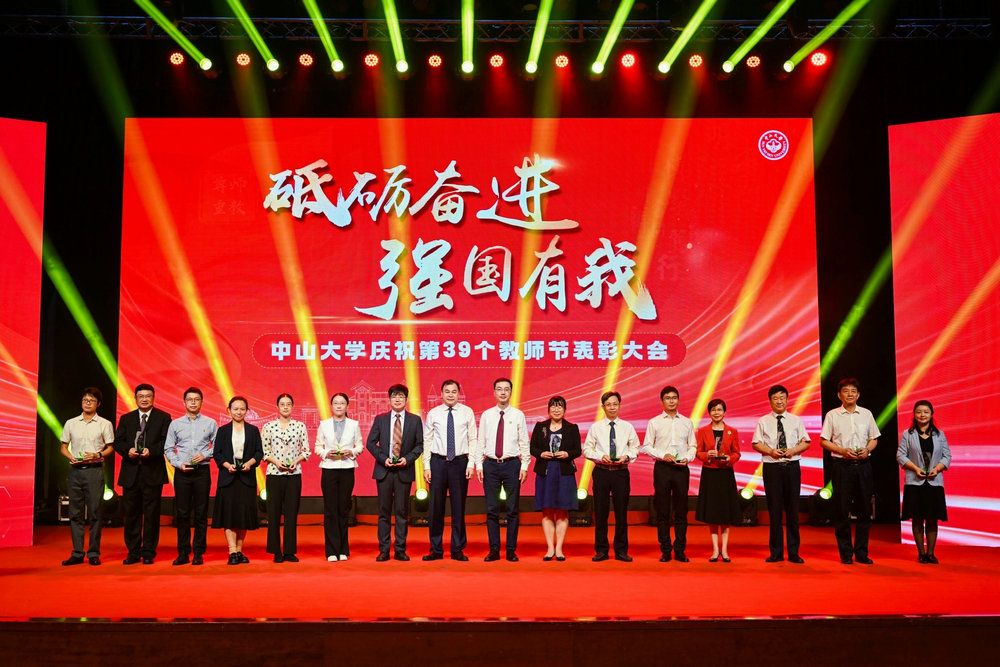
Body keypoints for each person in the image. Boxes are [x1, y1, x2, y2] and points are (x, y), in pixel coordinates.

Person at [820, 377, 881, 565]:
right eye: (846, 391)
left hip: (863, 466)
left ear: (858, 394)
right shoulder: (832, 415)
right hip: (841, 466)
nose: (850, 394)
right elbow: (824, 441)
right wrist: (841, 450)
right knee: (841, 510)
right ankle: (846, 553)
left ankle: (861, 552)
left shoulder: (866, 414)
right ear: (839, 395)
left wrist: (867, 450)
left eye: (853, 391)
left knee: (865, 510)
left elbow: (874, 438)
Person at [751, 384, 811, 564]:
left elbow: (806, 442)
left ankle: (794, 552)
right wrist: (770, 451)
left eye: (782, 398)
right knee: (774, 510)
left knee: (793, 510)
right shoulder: (763, 421)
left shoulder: (796, 420)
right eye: (775, 398)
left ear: (787, 399)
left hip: (792, 466)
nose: (779, 401)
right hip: (772, 468)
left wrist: (793, 450)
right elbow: (756, 443)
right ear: (770, 401)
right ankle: (776, 552)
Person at [113, 383, 171, 565]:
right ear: (135, 398)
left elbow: (166, 442)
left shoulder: (163, 417)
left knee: (152, 515)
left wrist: (151, 451)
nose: (144, 399)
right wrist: (127, 450)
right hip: (131, 473)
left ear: (153, 398)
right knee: (131, 514)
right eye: (141, 396)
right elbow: (118, 442)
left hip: (152, 472)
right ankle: (133, 551)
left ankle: (148, 552)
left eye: (148, 396)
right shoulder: (126, 418)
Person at [366, 384, 424, 561]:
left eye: (401, 396)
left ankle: (400, 549)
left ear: (406, 400)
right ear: (389, 399)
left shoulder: (415, 420)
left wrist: (408, 459)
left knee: (401, 512)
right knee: (384, 512)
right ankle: (384, 550)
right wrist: (383, 458)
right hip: (384, 470)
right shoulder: (380, 419)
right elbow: (370, 443)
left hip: (403, 471)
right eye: (394, 396)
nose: (397, 399)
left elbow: (419, 445)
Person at [422, 380, 477, 562]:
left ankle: (457, 549)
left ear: (458, 393)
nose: (451, 395)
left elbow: (473, 439)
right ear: (441, 394)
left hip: (460, 463)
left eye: (454, 391)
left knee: (458, 507)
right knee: (435, 508)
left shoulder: (467, 412)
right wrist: (427, 466)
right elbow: (427, 441)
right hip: (438, 463)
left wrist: (471, 464)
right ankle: (435, 549)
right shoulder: (433, 413)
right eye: (447, 391)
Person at [640, 385, 696, 562]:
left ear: (678, 400)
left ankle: (680, 550)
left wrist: (688, 457)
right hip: (662, 468)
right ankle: (665, 550)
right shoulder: (654, 422)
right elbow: (646, 446)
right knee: (662, 511)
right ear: (662, 401)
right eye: (667, 398)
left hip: (681, 469)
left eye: (674, 398)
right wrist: (662, 455)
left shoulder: (687, 422)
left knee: (681, 510)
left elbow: (692, 446)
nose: (671, 401)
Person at [60, 387, 115, 566]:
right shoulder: (71, 423)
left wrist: (98, 454)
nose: (87, 403)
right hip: (75, 471)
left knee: (95, 512)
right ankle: (77, 553)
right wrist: (70, 456)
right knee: (75, 513)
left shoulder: (104, 423)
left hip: (94, 471)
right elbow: (63, 446)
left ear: (98, 404)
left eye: (91, 400)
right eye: (85, 400)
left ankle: (93, 553)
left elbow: (110, 447)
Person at [477, 377, 530, 562]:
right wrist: (478, 465)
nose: (503, 392)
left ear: (511, 392)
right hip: (490, 465)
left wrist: (524, 466)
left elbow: (524, 442)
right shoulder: (487, 415)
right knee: (492, 509)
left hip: (512, 464)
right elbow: (480, 441)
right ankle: (493, 550)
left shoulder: (518, 415)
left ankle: (510, 550)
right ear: (494, 392)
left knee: (512, 509)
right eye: (499, 389)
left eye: (506, 389)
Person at [584, 390, 640, 562]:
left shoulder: (627, 427)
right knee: (601, 512)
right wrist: (600, 456)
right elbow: (586, 449)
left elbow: (636, 447)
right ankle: (601, 550)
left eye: (615, 404)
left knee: (621, 513)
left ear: (619, 405)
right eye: (608, 404)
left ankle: (621, 550)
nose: (612, 407)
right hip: (601, 471)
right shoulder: (596, 427)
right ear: (603, 407)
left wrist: (627, 456)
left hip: (621, 472)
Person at [165, 387, 218, 565]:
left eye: (196, 399)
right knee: (182, 513)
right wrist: (178, 463)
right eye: (190, 399)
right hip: (182, 472)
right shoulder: (175, 424)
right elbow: (168, 448)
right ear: (184, 402)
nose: (193, 402)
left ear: (202, 402)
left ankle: (198, 552)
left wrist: (205, 455)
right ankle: (183, 552)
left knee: (201, 513)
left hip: (202, 471)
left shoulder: (210, 423)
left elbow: (217, 446)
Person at [897, 400, 951, 564]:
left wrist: (938, 468)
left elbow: (947, 456)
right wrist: (915, 468)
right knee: (917, 518)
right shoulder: (908, 434)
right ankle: (921, 554)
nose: (922, 415)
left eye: (926, 412)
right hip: (915, 482)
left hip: (934, 482)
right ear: (914, 414)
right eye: (919, 412)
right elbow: (900, 455)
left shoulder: (940, 434)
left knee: (932, 519)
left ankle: (931, 554)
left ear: (931, 414)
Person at [212, 396, 263, 565]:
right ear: (229, 410)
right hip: (228, 478)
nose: (239, 412)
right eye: (235, 409)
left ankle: (239, 551)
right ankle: (232, 551)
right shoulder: (223, 430)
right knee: (229, 515)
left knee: (243, 516)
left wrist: (249, 464)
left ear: (247, 411)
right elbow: (217, 453)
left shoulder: (253, 430)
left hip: (246, 478)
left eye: (242, 409)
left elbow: (259, 452)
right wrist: (227, 465)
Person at [529, 396, 581, 561]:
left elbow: (577, 450)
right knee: (547, 511)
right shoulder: (541, 427)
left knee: (562, 511)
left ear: (565, 410)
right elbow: (532, 447)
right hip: (545, 472)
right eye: (553, 406)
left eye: (560, 407)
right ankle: (550, 548)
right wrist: (541, 453)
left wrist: (567, 454)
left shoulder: (572, 428)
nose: (556, 409)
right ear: (548, 409)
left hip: (564, 472)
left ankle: (559, 548)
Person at [315, 392, 363, 562]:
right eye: (336, 403)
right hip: (329, 468)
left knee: (343, 509)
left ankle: (343, 549)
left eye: (342, 403)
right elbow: (318, 447)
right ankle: (331, 550)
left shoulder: (354, 424)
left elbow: (360, 446)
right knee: (330, 510)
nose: (339, 406)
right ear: (331, 406)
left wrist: (352, 451)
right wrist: (327, 453)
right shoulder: (324, 424)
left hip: (347, 468)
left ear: (347, 406)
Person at [262, 393, 309, 563]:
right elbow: (265, 451)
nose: (285, 407)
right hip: (274, 474)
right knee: (273, 513)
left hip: (293, 475)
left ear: (292, 406)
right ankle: (276, 551)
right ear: (277, 407)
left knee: (291, 513)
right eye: (282, 404)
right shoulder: (268, 426)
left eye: (288, 404)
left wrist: (295, 461)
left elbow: (306, 450)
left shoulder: (300, 426)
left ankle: (289, 551)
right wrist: (277, 462)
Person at [695, 398, 742, 562]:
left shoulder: (732, 431)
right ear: (709, 412)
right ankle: (715, 550)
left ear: (724, 412)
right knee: (713, 513)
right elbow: (698, 452)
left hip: (725, 474)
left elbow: (737, 453)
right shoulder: (702, 431)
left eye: (719, 409)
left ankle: (725, 550)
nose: (716, 413)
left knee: (725, 513)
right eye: (713, 410)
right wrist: (707, 455)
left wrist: (729, 458)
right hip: (710, 474)